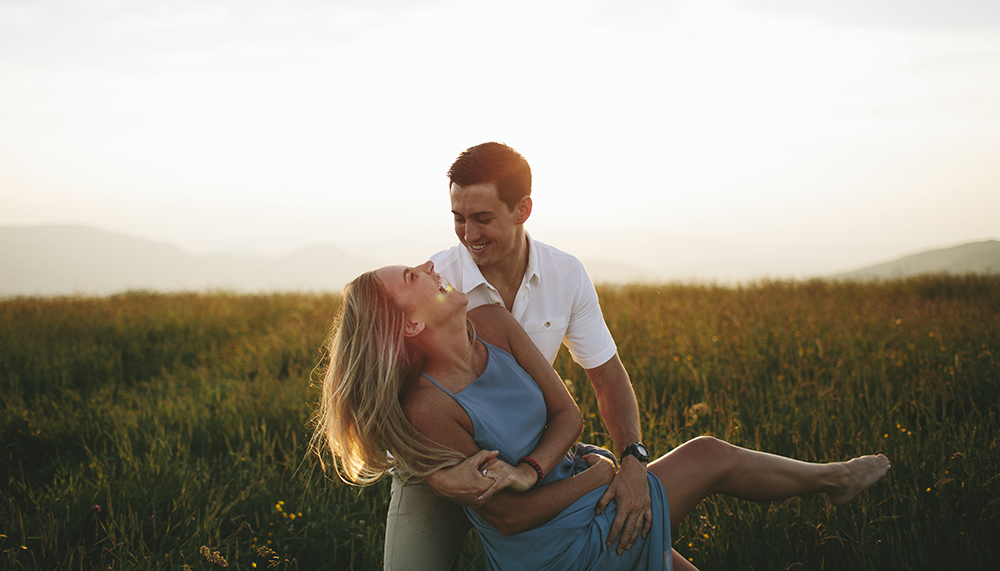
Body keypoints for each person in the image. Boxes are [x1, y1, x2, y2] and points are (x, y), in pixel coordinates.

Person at [311, 261, 891, 571]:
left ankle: (834, 480)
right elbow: (510, 521)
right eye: (412, 277)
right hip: (552, 549)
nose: (427, 265)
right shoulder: (430, 406)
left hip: (570, 492)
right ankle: (835, 480)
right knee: (709, 454)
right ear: (411, 325)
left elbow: (569, 413)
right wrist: (600, 474)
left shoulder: (489, 320)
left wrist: (542, 468)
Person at [385, 142, 655, 570]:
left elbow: (606, 378)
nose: (469, 234)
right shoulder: (438, 283)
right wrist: (440, 476)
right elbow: (385, 396)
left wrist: (632, 462)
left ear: (523, 209)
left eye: (483, 219)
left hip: (534, 459)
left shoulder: (565, 274)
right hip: (437, 470)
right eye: (458, 218)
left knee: (641, 552)